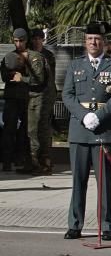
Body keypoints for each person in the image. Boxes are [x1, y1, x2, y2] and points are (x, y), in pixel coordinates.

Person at [61, 21, 111, 239]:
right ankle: (75, 224)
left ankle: (107, 226)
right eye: (89, 39)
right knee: (78, 182)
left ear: (104, 42)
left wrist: (98, 116)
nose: (93, 42)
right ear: (85, 41)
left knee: (105, 184)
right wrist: (83, 115)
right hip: (79, 130)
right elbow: (67, 95)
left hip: (103, 131)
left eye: (97, 39)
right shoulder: (75, 65)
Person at [1, 28, 45, 171]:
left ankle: (23, 159)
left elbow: (39, 79)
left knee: (26, 132)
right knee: (9, 130)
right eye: (16, 41)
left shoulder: (34, 56)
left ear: (26, 40)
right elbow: (5, 76)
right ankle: (7, 161)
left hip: (28, 99)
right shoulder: (9, 57)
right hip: (12, 98)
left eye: (21, 41)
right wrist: (12, 75)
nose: (18, 44)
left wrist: (22, 78)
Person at [27, 28, 56, 175]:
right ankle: (37, 162)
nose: (37, 41)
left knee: (41, 130)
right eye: (34, 38)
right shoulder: (29, 54)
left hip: (44, 96)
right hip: (35, 96)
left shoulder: (46, 56)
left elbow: (44, 79)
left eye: (39, 38)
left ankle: (44, 163)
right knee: (34, 130)